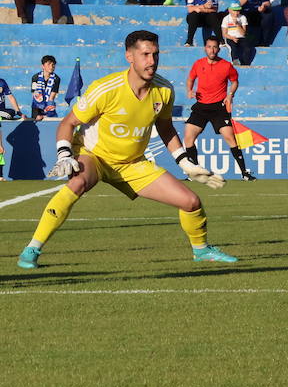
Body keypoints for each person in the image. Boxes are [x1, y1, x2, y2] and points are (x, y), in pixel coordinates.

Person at [17, 31, 235, 270]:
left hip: (132, 164)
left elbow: (166, 128)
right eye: (145, 55)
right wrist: (64, 154)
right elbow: (68, 123)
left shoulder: (164, 90)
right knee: (77, 184)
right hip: (95, 156)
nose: (152, 61)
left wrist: (185, 163)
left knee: (191, 201)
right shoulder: (106, 88)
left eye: (155, 54)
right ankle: (32, 249)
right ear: (129, 56)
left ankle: (201, 251)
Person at [183, 37, 253, 181]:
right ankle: (195, 173)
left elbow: (234, 82)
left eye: (215, 47)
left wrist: (230, 95)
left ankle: (244, 173)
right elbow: (190, 79)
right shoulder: (198, 64)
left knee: (230, 138)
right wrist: (189, 90)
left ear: (219, 49)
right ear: (205, 48)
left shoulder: (226, 66)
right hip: (201, 107)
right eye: (209, 47)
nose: (212, 50)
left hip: (218, 108)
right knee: (188, 138)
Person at [30, 55, 60, 120]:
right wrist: (37, 114)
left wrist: (49, 114)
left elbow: (51, 98)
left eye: (53, 64)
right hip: (37, 106)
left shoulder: (56, 79)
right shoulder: (35, 77)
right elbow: (35, 96)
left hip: (49, 106)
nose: (51, 66)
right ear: (43, 66)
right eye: (49, 64)